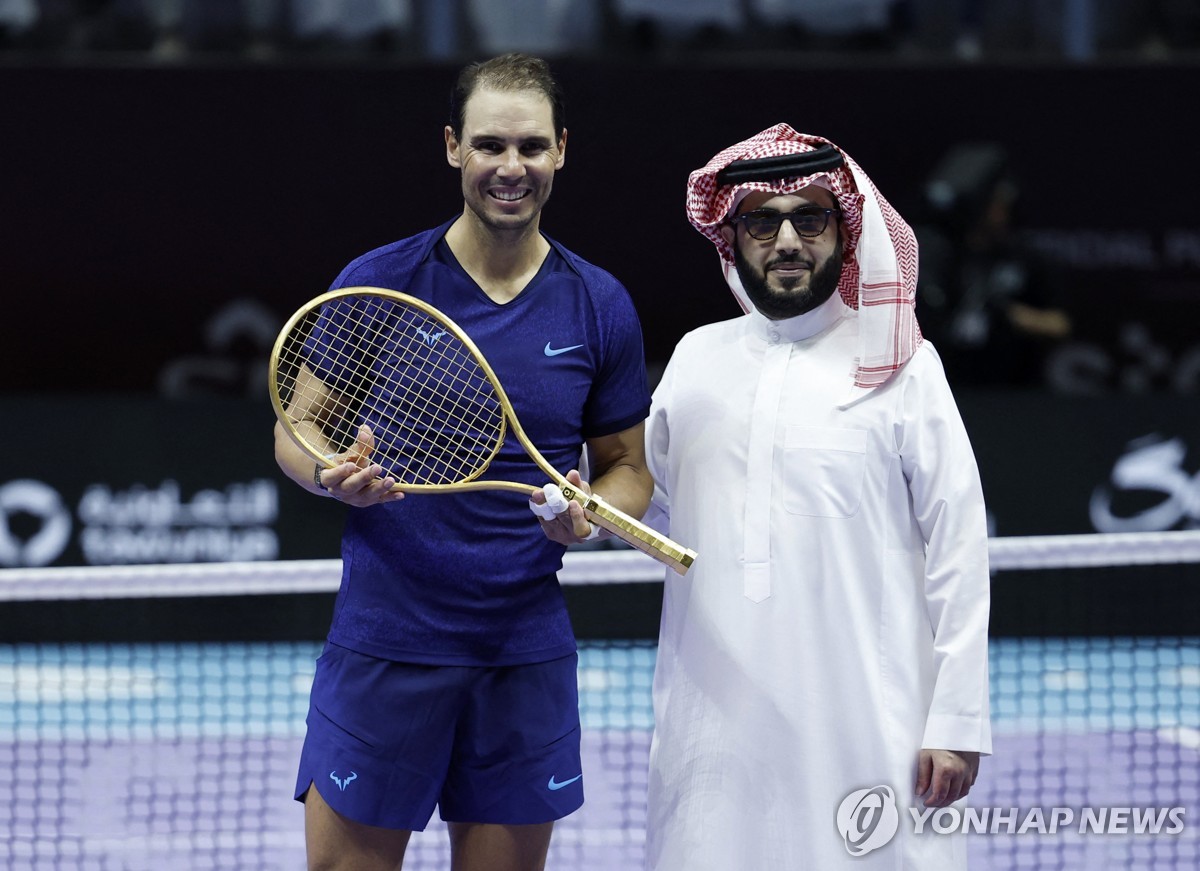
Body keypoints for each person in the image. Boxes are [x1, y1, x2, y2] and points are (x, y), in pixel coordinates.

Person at [272, 53, 654, 871]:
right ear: (453, 148)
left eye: (530, 147)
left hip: (522, 650)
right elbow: (297, 427)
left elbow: (628, 466)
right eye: (489, 146)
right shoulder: (379, 284)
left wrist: (591, 515)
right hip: (386, 643)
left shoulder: (599, 304)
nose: (510, 168)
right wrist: (331, 471)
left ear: (561, 151)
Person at [642, 124, 992, 869]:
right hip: (717, 731)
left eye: (811, 217)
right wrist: (580, 510)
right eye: (763, 221)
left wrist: (958, 716)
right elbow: (652, 508)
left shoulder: (903, 362)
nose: (788, 239)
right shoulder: (696, 359)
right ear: (730, 234)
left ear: (845, 229)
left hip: (872, 722)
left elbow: (958, 548)